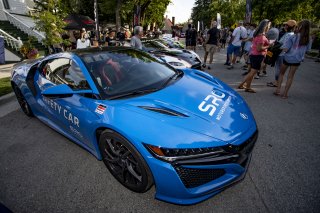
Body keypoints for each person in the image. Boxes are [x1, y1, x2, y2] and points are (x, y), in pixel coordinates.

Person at [274, 20, 311, 99]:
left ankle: (278, 90)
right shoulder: (308, 38)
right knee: (290, 77)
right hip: (297, 59)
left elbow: (286, 49)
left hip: (287, 58)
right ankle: (285, 94)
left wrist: (280, 50)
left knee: (281, 74)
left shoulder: (294, 36)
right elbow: (307, 50)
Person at [238, 19, 271, 93]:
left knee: (252, 72)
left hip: (254, 55)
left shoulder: (257, 34)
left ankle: (248, 87)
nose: (269, 27)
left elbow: (253, 41)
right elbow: (259, 49)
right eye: (269, 26)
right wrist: (269, 45)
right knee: (252, 73)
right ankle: (241, 84)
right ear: (265, 26)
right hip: (257, 56)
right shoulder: (261, 36)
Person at [267, 20, 296, 87]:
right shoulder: (291, 34)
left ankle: (277, 82)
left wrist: (274, 46)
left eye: (286, 25)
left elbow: (282, 44)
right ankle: (276, 81)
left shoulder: (288, 34)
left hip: (281, 54)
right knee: (279, 69)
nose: (284, 26)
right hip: (284, 54)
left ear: (289, 27)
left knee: (278, 69)